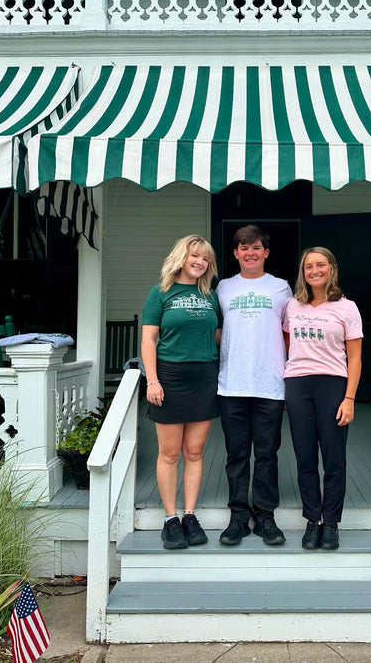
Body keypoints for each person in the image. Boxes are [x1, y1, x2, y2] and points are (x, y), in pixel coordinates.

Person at [141, 235, 221, 550]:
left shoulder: (211, 296)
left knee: (195, 452)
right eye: (194, 256)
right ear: (181, 257)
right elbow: (149, 340)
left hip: (204, 378)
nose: (200, 262)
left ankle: (189, 515)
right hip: (170, 378)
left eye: (205, 258)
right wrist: (152, 380)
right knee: (170, 453)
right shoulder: (160, 293)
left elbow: (217, 336)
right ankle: (170, 519)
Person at [217, 225, 292, 546]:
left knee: (266, 455)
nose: (250, 253)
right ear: (236, 253)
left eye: (256, 247)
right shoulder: (222, 287)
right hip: (231, 384)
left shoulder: (281, 288)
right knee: (236, 455)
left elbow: (291, 332)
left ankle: (264, 516)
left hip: (270, 384)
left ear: (266, 252)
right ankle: (238, 516)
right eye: (244, 248)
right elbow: (215, 330)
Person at [283, 247, 362, 551]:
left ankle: (330, 522)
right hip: (298, 383)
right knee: (304, 457)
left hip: (333, 385)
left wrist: (349, 397)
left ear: (331, 268)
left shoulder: (347, 308)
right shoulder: (293, 306)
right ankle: (312, 519)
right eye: (308, 267)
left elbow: (354, 357)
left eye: (320, 265)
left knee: (333, 458)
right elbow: (287, 343)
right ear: (303, 273)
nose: (314, 271)